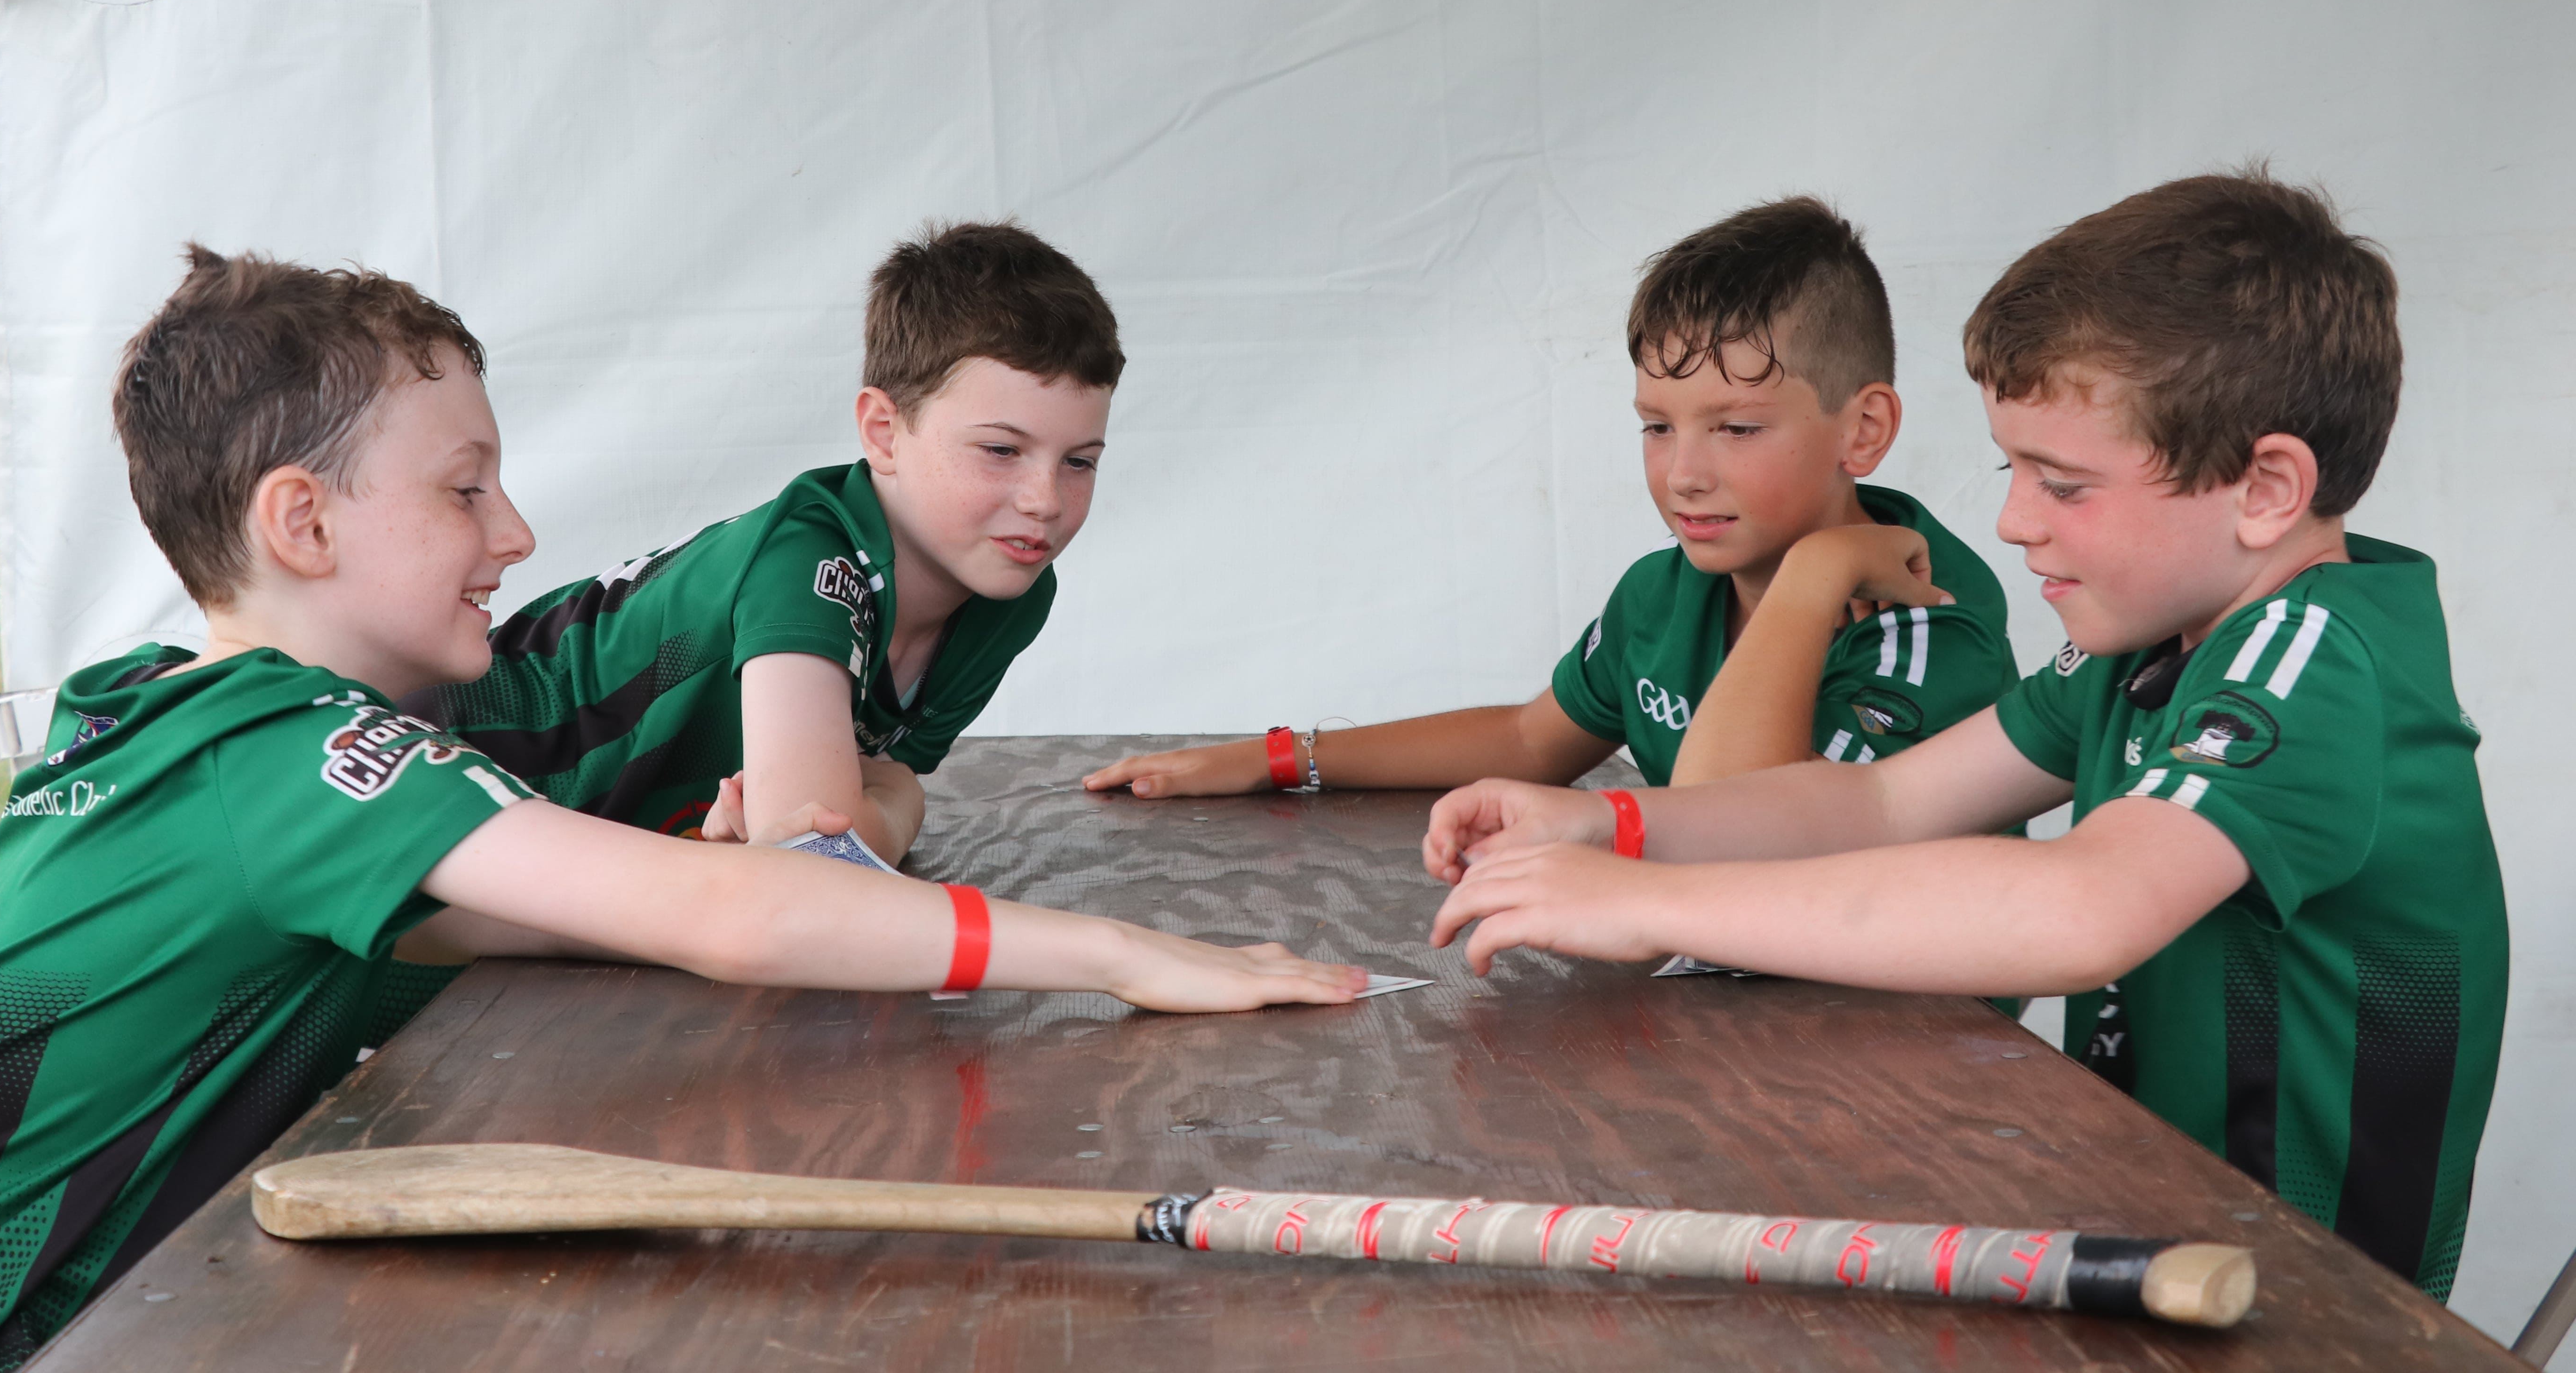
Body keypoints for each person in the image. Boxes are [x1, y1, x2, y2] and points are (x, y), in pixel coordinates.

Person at [0, 248, 1358, 1373]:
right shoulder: (282, 757)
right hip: (0, 1339)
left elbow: (533, 924)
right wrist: (1119, 953)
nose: (518, 532)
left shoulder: (195, 721)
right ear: (303, 523)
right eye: (466, 489)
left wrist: (701, 890)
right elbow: (736, 912)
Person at [1423, 172, 2503, 1300]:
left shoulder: (2311, 660)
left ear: (2267, 487)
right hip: (2153, 1234)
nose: (2012, 519)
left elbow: (2082, 908)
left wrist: (1650, 903)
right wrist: (1610, 821)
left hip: (2307, 1301)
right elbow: (1883, 800)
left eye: (2063, 484)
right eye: (2012, 468)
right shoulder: (2152, 640)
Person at [1084, 197, 2013, 800]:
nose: (1684, 473)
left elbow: (1733, 825)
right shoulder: (1664, 592)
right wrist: (1281, 757)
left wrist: (1815, 576)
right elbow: (1532, 740)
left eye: (1736, 428)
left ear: (1863, 430)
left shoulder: (1930, 631)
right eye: (1657, 426)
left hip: (1903, 1042)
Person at [418, 221, 1113, 866]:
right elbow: (820, 851)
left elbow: (814, 834)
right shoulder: (809, 562)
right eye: (1000, 450)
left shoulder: (1011, 590)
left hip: (590, 876)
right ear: (883, 433)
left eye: (1079, 461)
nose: (1045, 500)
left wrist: (815, 822)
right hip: (438, 765)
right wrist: (902, 805)